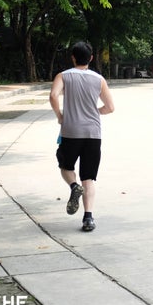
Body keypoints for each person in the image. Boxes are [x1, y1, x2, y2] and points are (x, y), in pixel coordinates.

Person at [49, 41, 115, 232]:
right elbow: (110, 108)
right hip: (93, 133)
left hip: (71, 131)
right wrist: (95, 112)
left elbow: (53, 95)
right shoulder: (99, 79)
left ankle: (73, 186)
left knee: (65, 166)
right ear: (91, 58)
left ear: (73, 57)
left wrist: (60, 116)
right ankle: (88, 218)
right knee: (89, 177)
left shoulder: (63, 76)